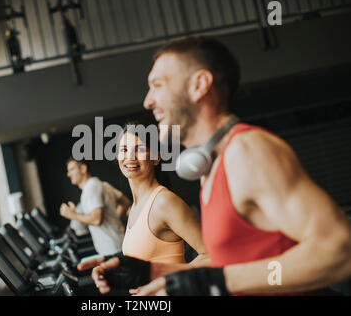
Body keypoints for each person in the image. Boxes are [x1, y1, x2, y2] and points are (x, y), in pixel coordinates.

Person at [78, 36, 351, 295]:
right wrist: (153, 271)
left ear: (199, 85)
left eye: (158, 85)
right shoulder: (210, 168)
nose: (148, 101)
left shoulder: (247, 150)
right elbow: (232, 262)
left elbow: (340, 251)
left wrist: (218, 282)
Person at [118, 124, 207, 268]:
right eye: (124, 150)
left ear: (156, 158)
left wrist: (166, 278)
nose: (130, 157)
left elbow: (210, 254)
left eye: (139, 149)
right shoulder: (135, 207)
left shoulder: (164, 202)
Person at [60, 158, 130, 256]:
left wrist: (72, 214)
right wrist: (114, 220)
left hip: (112, 249)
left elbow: (96, 219)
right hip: (118, 244)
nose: (68, 174)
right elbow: (125, 202)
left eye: (72, 169)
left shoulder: (91, 187)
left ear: (83, 169)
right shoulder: (101, 184)